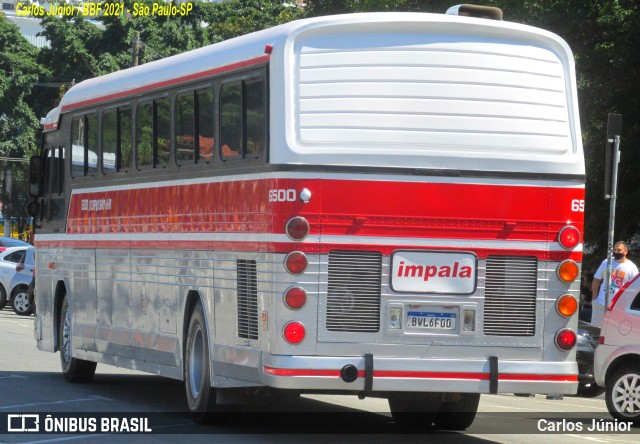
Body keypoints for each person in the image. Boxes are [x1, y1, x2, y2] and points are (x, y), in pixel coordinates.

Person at [591, 241, 638, 328]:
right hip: (601, 303)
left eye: (619, 250)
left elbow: (634, 289)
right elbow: (597, 279)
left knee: (612, 332)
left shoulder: (632, 267)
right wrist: (594, 298)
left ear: (626, 251)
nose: (616, 252)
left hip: (618, 307)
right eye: (615, 249)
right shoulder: (606, 262)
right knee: (595, 331)